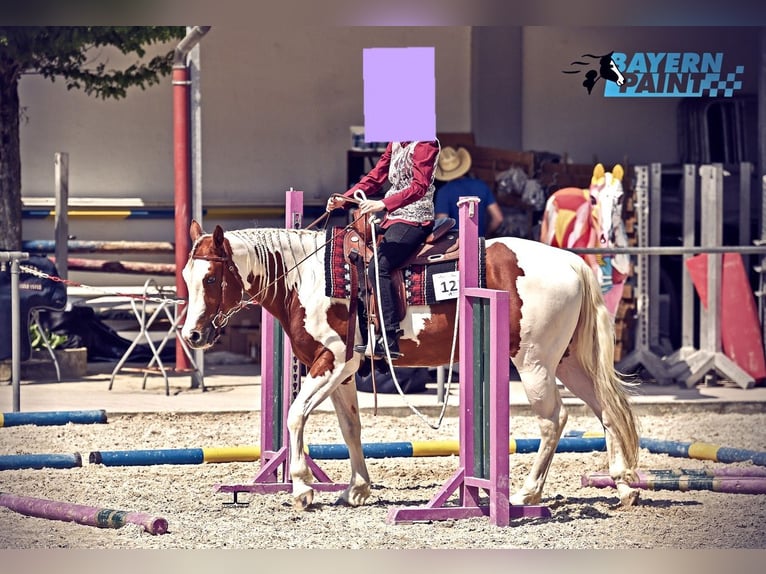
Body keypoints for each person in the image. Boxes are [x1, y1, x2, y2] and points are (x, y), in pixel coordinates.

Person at [326, 140, 440, 359]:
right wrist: (345, 199)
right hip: (393, 218)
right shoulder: (395, 143)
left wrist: (383, 204)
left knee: (379, 266)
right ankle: (364, 331)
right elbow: (375, 177)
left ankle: (389, 337)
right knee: (356, 257)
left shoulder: (426, 143)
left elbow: (419, 187)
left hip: (415, 219)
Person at [433, 146, 504, 237]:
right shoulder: (481, 185)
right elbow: (498, 218)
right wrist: (486, 234)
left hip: (456, 246)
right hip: (480, 242)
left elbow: (442, 224)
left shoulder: (444, 192)